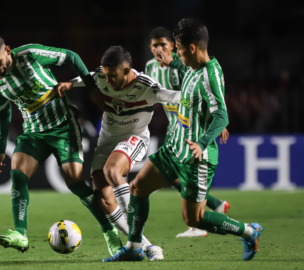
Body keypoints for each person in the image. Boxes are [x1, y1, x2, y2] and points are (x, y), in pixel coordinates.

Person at [103, 18, 263, 262]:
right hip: (174, 148)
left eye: (177, 48)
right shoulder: (192, 67)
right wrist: (173, 63)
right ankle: (135, 247)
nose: (174, 52)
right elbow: (186, 70)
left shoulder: (210, 74)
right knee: (137, 187)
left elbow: (222, 114)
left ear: (191, 48)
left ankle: (249, 232)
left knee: (194, 219)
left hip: (195, 158)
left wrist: (204, 140)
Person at [0, 34, 121, 255]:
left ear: (7, 49)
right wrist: (0, 149)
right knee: (18, 172)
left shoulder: (30, 54)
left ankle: (109, 231)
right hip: (34, 131)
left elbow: (71, 57)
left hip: (64, 125)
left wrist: (92, 89)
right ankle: (21, 235)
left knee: (74, 183)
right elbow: (3, 112)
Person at [67, 46, 184, 261]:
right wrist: (69, 83)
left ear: (127, 69)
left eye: (113, 76)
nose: (108, 81)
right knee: (103, 197)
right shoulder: (102, 76)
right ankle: (146, 246)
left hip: (134, 137)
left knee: (113, 170)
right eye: (106, 75)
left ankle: (133, 238)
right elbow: (89, 77)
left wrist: (203, 95)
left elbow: (175, 97)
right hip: (107, 140)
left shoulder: (146, 86)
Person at [146, 26, 230, 238]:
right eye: (154, 45)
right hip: (175, 130)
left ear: (174, 46)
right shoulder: (154, 67)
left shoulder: (199, 68)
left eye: (164, 45)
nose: (159, 49)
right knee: (159, 180)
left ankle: (209, 219)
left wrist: (208, 133)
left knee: (183, 190)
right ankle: (214, 205)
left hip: (191, 134)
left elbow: (212, 100)